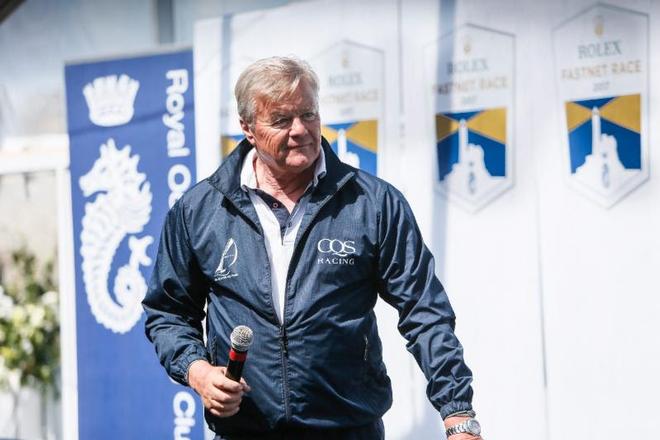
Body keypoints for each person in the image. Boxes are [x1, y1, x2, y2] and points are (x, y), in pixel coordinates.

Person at [143, 56, 481, 440]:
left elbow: (425, 311)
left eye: (309, 114)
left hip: (348, 429)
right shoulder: (199, 210)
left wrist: (458, 415)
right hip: (245, 431)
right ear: (248, 128)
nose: (300, 130)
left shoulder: (373, 203)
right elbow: (168, 312)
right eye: (282, 121)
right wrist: (197, 370)